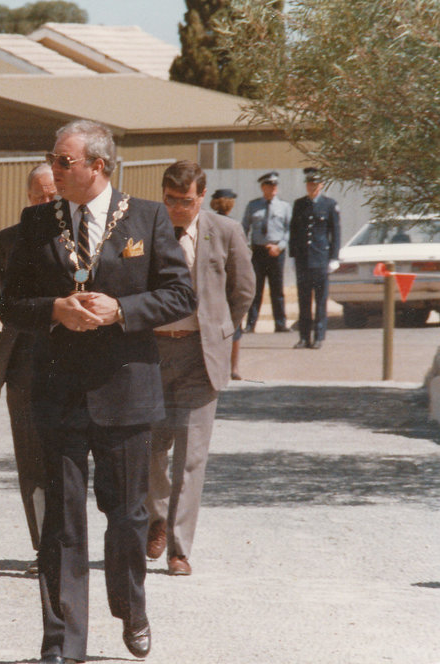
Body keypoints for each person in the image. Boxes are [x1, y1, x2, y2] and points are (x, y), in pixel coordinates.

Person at [0, 120, 196, 663]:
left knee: (128, 514)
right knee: (61, 519)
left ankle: (132, 606)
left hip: (125, 389)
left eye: (64, 162)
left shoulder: (148, 217)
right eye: (54, 160)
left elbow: (181, 294)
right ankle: (63, 641)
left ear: (98, 166)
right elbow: (10, 304)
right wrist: (53, 311)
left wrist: (124, 311)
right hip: (58, 391)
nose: (54, 170)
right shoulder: (37, 221)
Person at [146, 162, 254, 577]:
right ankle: (155, 520)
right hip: (151, 353)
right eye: (170, 200)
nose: (176, 209)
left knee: (191, 457)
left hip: (200, 355)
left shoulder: (225, 231)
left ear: (201, 196)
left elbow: (242, 290)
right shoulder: (147, 228)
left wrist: (219, 329)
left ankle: (178, 547)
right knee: (150, 452)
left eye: (185, 201)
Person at [0, 163, 56, 575]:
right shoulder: (8, 241)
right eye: (39, 197)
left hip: (74, 361)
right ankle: (45, 549)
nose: (47, 203)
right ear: (28, 198)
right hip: (25, 362)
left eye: (54, 196)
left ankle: (69, 542)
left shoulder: (84, 235)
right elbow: (6, 304)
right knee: (31, 460)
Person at [289, 167, 341, 350]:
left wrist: (334, 257)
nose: (313, 187)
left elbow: (335, 233)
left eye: (316, 183)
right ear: (306, 185)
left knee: (320, 301)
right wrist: (292, 256)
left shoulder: (329, 204)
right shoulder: (299, 204)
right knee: (304, 301)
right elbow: (294, 232)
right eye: (310, 183)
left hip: (320, 259)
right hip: (303, 260)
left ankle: (318, 336)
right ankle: (304, 337)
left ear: (322, 185)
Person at [242, 172, 292, 333]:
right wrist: (248, 247)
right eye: (270, 186)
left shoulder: (284, 206)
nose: (273, 188)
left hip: (276, 252)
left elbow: (289, 230)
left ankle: (280, 323)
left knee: (277, 289)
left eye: (275, 185)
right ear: (263, 187)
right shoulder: (253, 205)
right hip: (258, 252)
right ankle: (250, 324)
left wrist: (280, 246)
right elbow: (244, 228)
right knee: (255, 289)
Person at [211, 189, 244, 380]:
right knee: (234, 325)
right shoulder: (233, 225)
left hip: (214, 279)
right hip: (228, 279)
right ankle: (234, 368)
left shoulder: (208, 223)